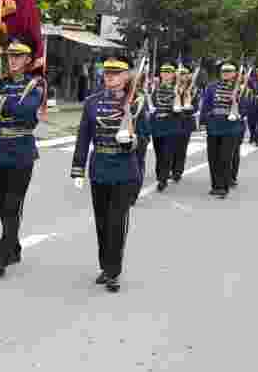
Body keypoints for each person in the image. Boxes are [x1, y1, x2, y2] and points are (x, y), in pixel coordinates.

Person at [70, 57, 146, 292]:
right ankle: (105, 265)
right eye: (107, 73)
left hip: (123, 169)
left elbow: (145, 135)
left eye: (116, 73)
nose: (110, 77)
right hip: (100, 166)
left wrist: (132, 141)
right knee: (102, 222)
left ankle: (113, 270)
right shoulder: (92, 102)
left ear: (126, 77)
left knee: (117, 222)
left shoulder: (136, 102)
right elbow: (83, 136)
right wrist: (78, 168)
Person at [0, 37, 43, 278]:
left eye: (18, 57)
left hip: (22, 151)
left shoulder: (35, 86)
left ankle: (1, 255)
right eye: (10, 57)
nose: (12, 60)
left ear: (27, 60)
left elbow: (26, 113)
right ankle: (13, 247)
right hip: (0, 150)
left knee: (13, 205)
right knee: (4, 205)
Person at [199, 61, 241, 199]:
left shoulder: (240, 87)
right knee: (213, 157)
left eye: (229, 71)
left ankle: (224, 186)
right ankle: (215, 185)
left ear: (235, 74)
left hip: (230, 127)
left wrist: (239, 113)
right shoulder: (212, 87)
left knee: (225, 157)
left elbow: (247, 104)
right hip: (214, 126)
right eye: (224, 71)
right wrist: (203, 121)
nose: (226, 74)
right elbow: (205, 105)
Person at [148, 63, 182, 192]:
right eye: (164, 72)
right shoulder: (155, 89)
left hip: (171, 125)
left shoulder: (177, 89)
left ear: (173, 75)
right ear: (161, 74)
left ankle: (162, 179)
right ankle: (160, 174)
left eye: (169, 72)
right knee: (159, 152)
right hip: (157, 125)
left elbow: (181, 110)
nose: (166, 75)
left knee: (167, 153)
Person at [171, 63, 198, 181]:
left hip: (185, 122)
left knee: (181, 148)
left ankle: (177, 171)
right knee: (170, 148)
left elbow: (196, 106)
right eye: (180, 73)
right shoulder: (172, 87)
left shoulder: (193, 89)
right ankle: (169, 169)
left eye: (184, 74)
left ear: (189, 76)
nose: (182, 76)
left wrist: (188, 105)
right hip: (171, 121)